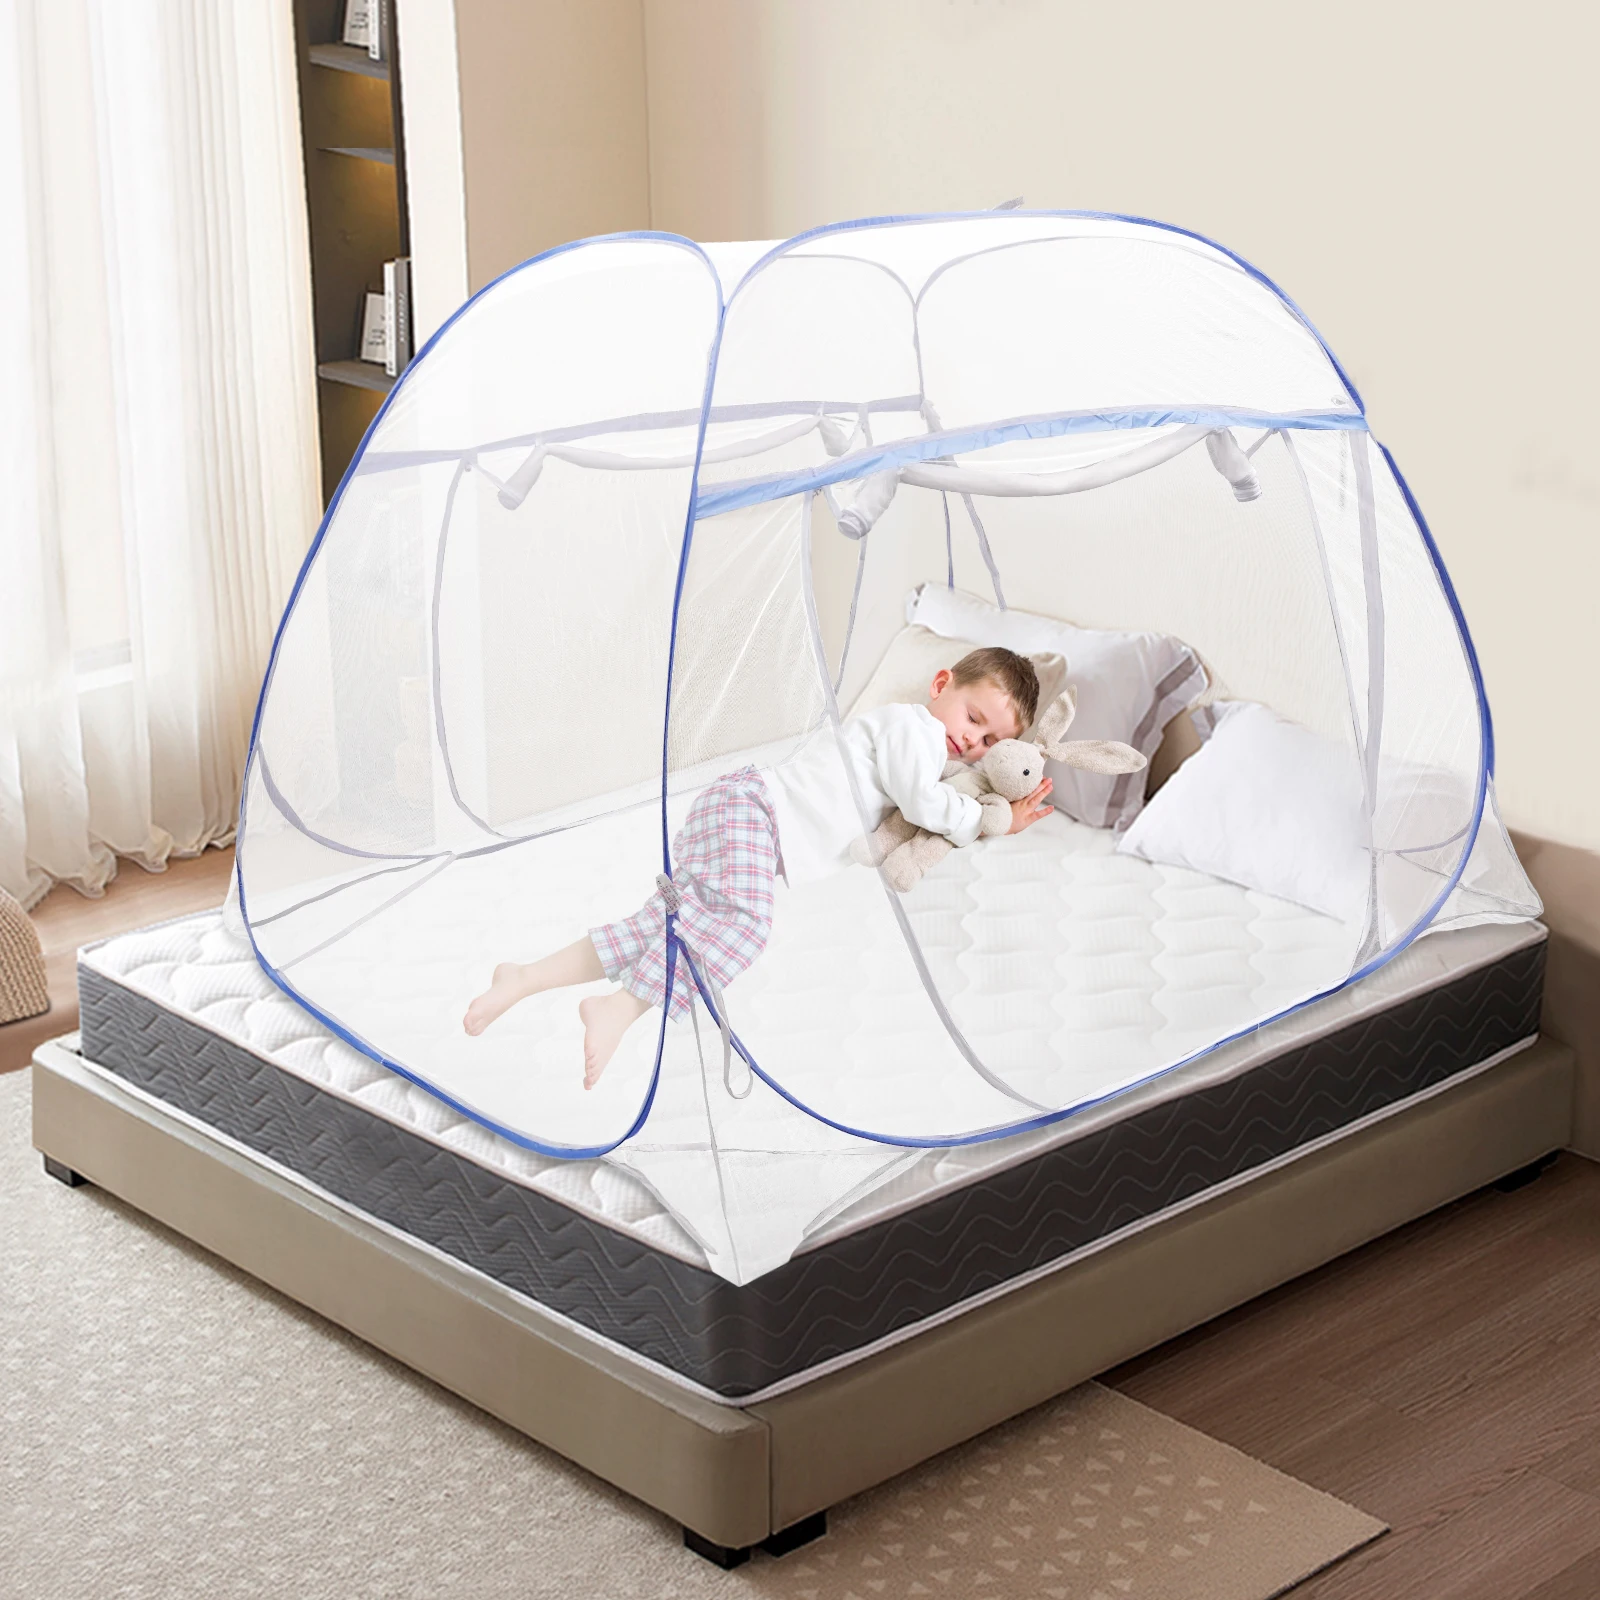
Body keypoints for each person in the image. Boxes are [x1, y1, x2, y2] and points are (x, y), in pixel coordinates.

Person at [461, 647, 1053, 1086]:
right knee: (743, 928)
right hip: (754, 812)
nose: (972, 743)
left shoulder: (930, 754)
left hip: (742, 815)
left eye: (989, 744)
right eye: (974, 718)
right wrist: (989, 820)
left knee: (659, 929)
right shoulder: (912, 729)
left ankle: (525, 977)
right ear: (941, 684)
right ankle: (620, 1006)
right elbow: (924, 804)